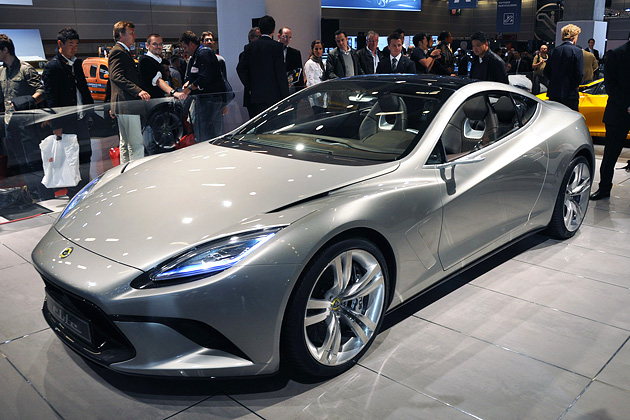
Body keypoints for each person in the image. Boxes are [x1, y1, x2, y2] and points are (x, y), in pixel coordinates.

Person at [41, 27, 94, 198]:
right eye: (71, 45)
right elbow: (51, 98)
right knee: (71, 159)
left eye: (76, 45)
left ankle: (85, 190)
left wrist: (90, 111)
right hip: (66, 122)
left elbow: (83, 89)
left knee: (86, 155)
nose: (74, 48)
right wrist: (56, 125)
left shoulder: (76, 64)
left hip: (81, 118)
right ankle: (74, 194)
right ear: (60, 44)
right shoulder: (53, 67)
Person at [0, 33, 50, 200]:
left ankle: (44, 195)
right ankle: (34, 195)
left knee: (33, 161)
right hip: (10, 125)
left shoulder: (25, 69)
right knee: (21, 163)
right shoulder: (2, 71)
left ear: (5, 50)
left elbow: (42, 91)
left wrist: (26, 102)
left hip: (26, 124)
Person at [590, 33, 630, 201]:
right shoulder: (616, 54)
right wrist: (627, 105)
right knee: (611, 155)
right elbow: (610, 85)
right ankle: (604, 188)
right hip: (619, 111)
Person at [109, 21, 150, 164]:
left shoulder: (121, 51)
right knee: (135, 144)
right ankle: (135, 175)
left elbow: (113, 80)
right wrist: (138, 91)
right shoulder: (119, 52)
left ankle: (124, 174)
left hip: (124, 104)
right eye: (131, 33)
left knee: (126, 145)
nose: (135, 36)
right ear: (121, 35)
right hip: (128, 104)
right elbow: (116, 76)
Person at [237, 15, 289, 119]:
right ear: (273, 30)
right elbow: (280, 74)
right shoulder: (277, 47)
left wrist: (250, 86)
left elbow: (240, 69)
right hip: (274, 96)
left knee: (257, 128)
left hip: (255, 96)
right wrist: (286, 97)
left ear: (260, 30)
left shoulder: (250, 47)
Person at [180, 30, 226, 141]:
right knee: (204, 131)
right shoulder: (196, 56)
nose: (185, 51)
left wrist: (190, 88)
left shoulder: (203, 53)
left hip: (210, 100)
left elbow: (205, 77)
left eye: (185, 47)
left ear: (191, 44)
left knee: (206, 133)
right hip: (206, 101)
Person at [544, 24, 583, 112]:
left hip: (554, 92)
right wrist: (574, 85)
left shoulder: (553, 51)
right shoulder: (577, 51)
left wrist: (554, 81)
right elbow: (579, 73)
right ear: (574, 36)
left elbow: (546, 72)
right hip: (570, 93)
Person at [139, 33, 187, 100]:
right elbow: (158, 80)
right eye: (155, 44)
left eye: (160, 44)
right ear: (147, 45)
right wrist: (173, 92)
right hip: (151, 102)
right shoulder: (145, 60)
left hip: (161, 100)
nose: (158, 46)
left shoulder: (159, 61)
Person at [278, 27, 304, 91]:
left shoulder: (295, 53)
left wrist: (300, 91)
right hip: (276, 87)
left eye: (289, 38)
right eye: (285, 36)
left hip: (290, 88)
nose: (287, 40)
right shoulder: (272, 51)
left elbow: (299, 72)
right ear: (279, 36)